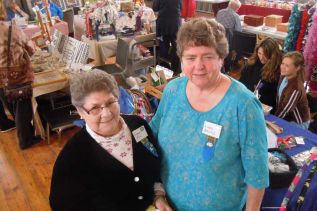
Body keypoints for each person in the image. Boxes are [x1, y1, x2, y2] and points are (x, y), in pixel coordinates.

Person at [150, 17, 269, 210]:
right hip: (168, 205)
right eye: (190, 57)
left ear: (222, 59)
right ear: (181, 59)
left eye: (208, 57)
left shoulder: (243, 105)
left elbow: (257, 174)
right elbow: (152, 141)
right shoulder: (173, 91)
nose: (199, 66)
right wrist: (157, 194)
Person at [49, 70, 172, 211]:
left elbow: (154, 166)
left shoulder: (138, 125)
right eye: (95, 108)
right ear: (81, 112)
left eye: (111, 102)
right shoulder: (71, 159)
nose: (107, 113)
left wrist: (158, 197)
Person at [0, 0, 39, 149]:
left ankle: (26, 135)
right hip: (17, 74)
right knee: (23, 108)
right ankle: (26, 141)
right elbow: (30, 47)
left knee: (11, 105)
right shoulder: (10, 28)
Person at [239, 37, 282, 113]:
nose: (261, 57)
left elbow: (274, 97)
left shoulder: (277, 69)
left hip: (264, 107)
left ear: (272, 55)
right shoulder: (251, 64)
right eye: (259, 53)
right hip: (247, 101)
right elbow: (241, 83)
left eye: (265, 55)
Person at [275, 51, 311, 129]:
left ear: (297, 68)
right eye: (282, 63)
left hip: (297, 122)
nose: (282, 67)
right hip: (286, 118)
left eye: (287, 66)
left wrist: (273, 121)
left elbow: (285, 109)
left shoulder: (296, 87)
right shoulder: (283, 76)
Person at [153, 0, 182, 74]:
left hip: (163, 24)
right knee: (176, 45)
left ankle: (164, 70)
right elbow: (181, 8)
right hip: (175, 23)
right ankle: (175, 69)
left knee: (163, 46)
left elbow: (155, 8)